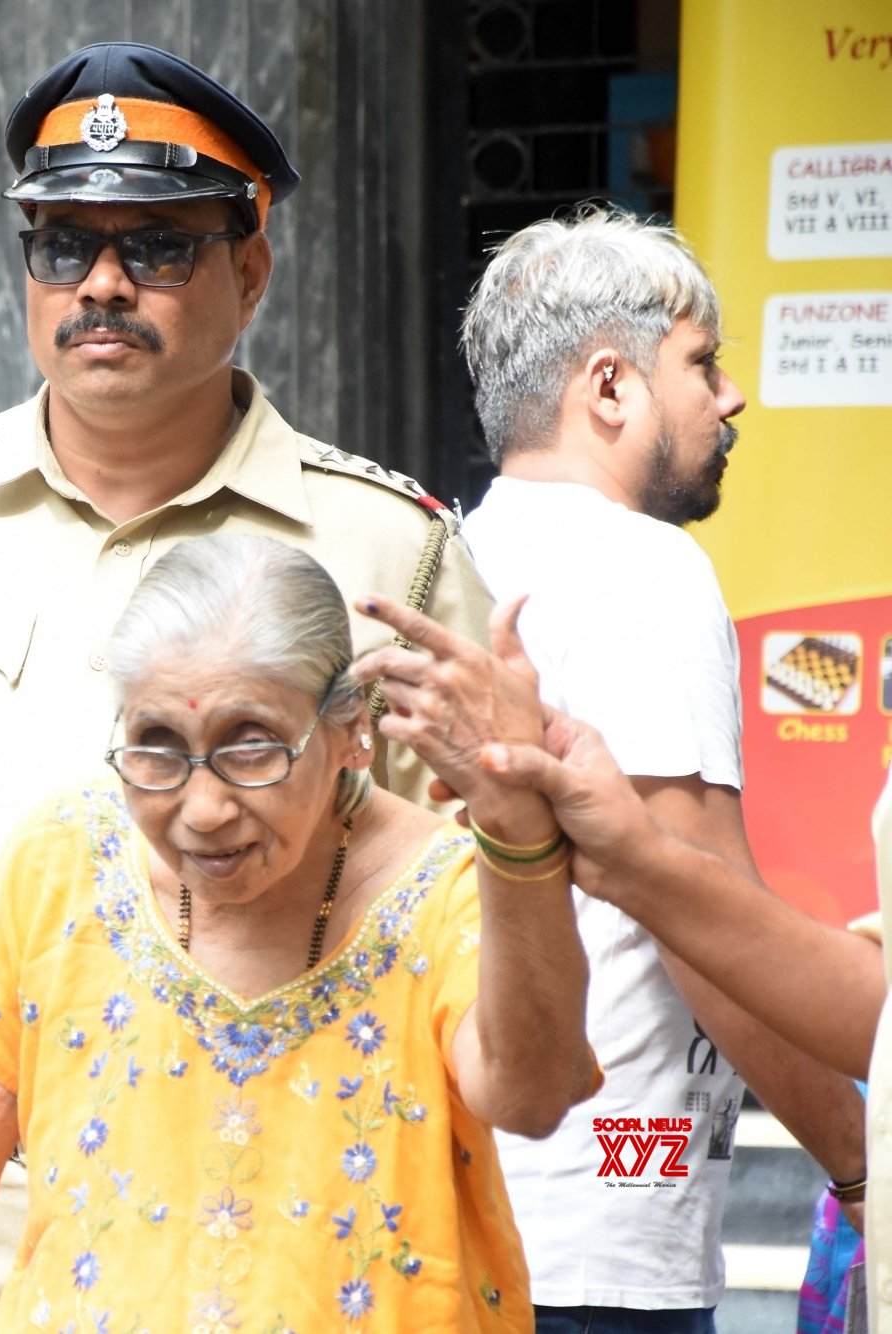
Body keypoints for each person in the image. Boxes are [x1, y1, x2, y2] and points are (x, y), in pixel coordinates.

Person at [0, 42, 498, 1324]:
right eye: (63, 245)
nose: (101, 285)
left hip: (269, 1225)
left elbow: (472, 897)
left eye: (155, 246)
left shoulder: (391, 551)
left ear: (250, 268)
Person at [0, 533, 595, 1332]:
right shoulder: (61, 862)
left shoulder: (448, 889)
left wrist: (514, 830)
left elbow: (531, 1095)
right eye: (156, 748)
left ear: (350, 734)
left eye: (252, 746)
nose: (203, 811)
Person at [455, 206, 866, 1332]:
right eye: (699, 362)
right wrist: (857, 1163)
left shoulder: (457, 553)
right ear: (607, 386)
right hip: (595, 1238)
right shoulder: (640, 566)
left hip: (467, 1218)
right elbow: (703, 921)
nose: (728, 398)